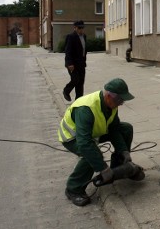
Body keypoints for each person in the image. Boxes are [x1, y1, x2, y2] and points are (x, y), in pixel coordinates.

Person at [58, 78, 142, 206]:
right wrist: (102, 168)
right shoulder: (86, 109)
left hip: (92, 133)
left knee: (125, 129)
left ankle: (118, 167)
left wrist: (123, 150)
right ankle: (73, 189)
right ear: (109, 96)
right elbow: (85, 144)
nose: (121, 103)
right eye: (120, 100)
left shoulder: (111, 104)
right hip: (72, 137)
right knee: (91, 153)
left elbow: (114, 129)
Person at [63, 20, 87, 101]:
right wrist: (70, 63)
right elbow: (68, 51)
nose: (81, 29)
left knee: (80, 83)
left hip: (81, 64)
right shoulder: (71, 36)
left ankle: (79, 101)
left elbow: (84, 50)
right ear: (75, 28)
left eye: (82, 28)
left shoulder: (84, 36)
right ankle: (66, 91)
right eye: (79, 28)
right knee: (75, 79)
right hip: (72, 64)